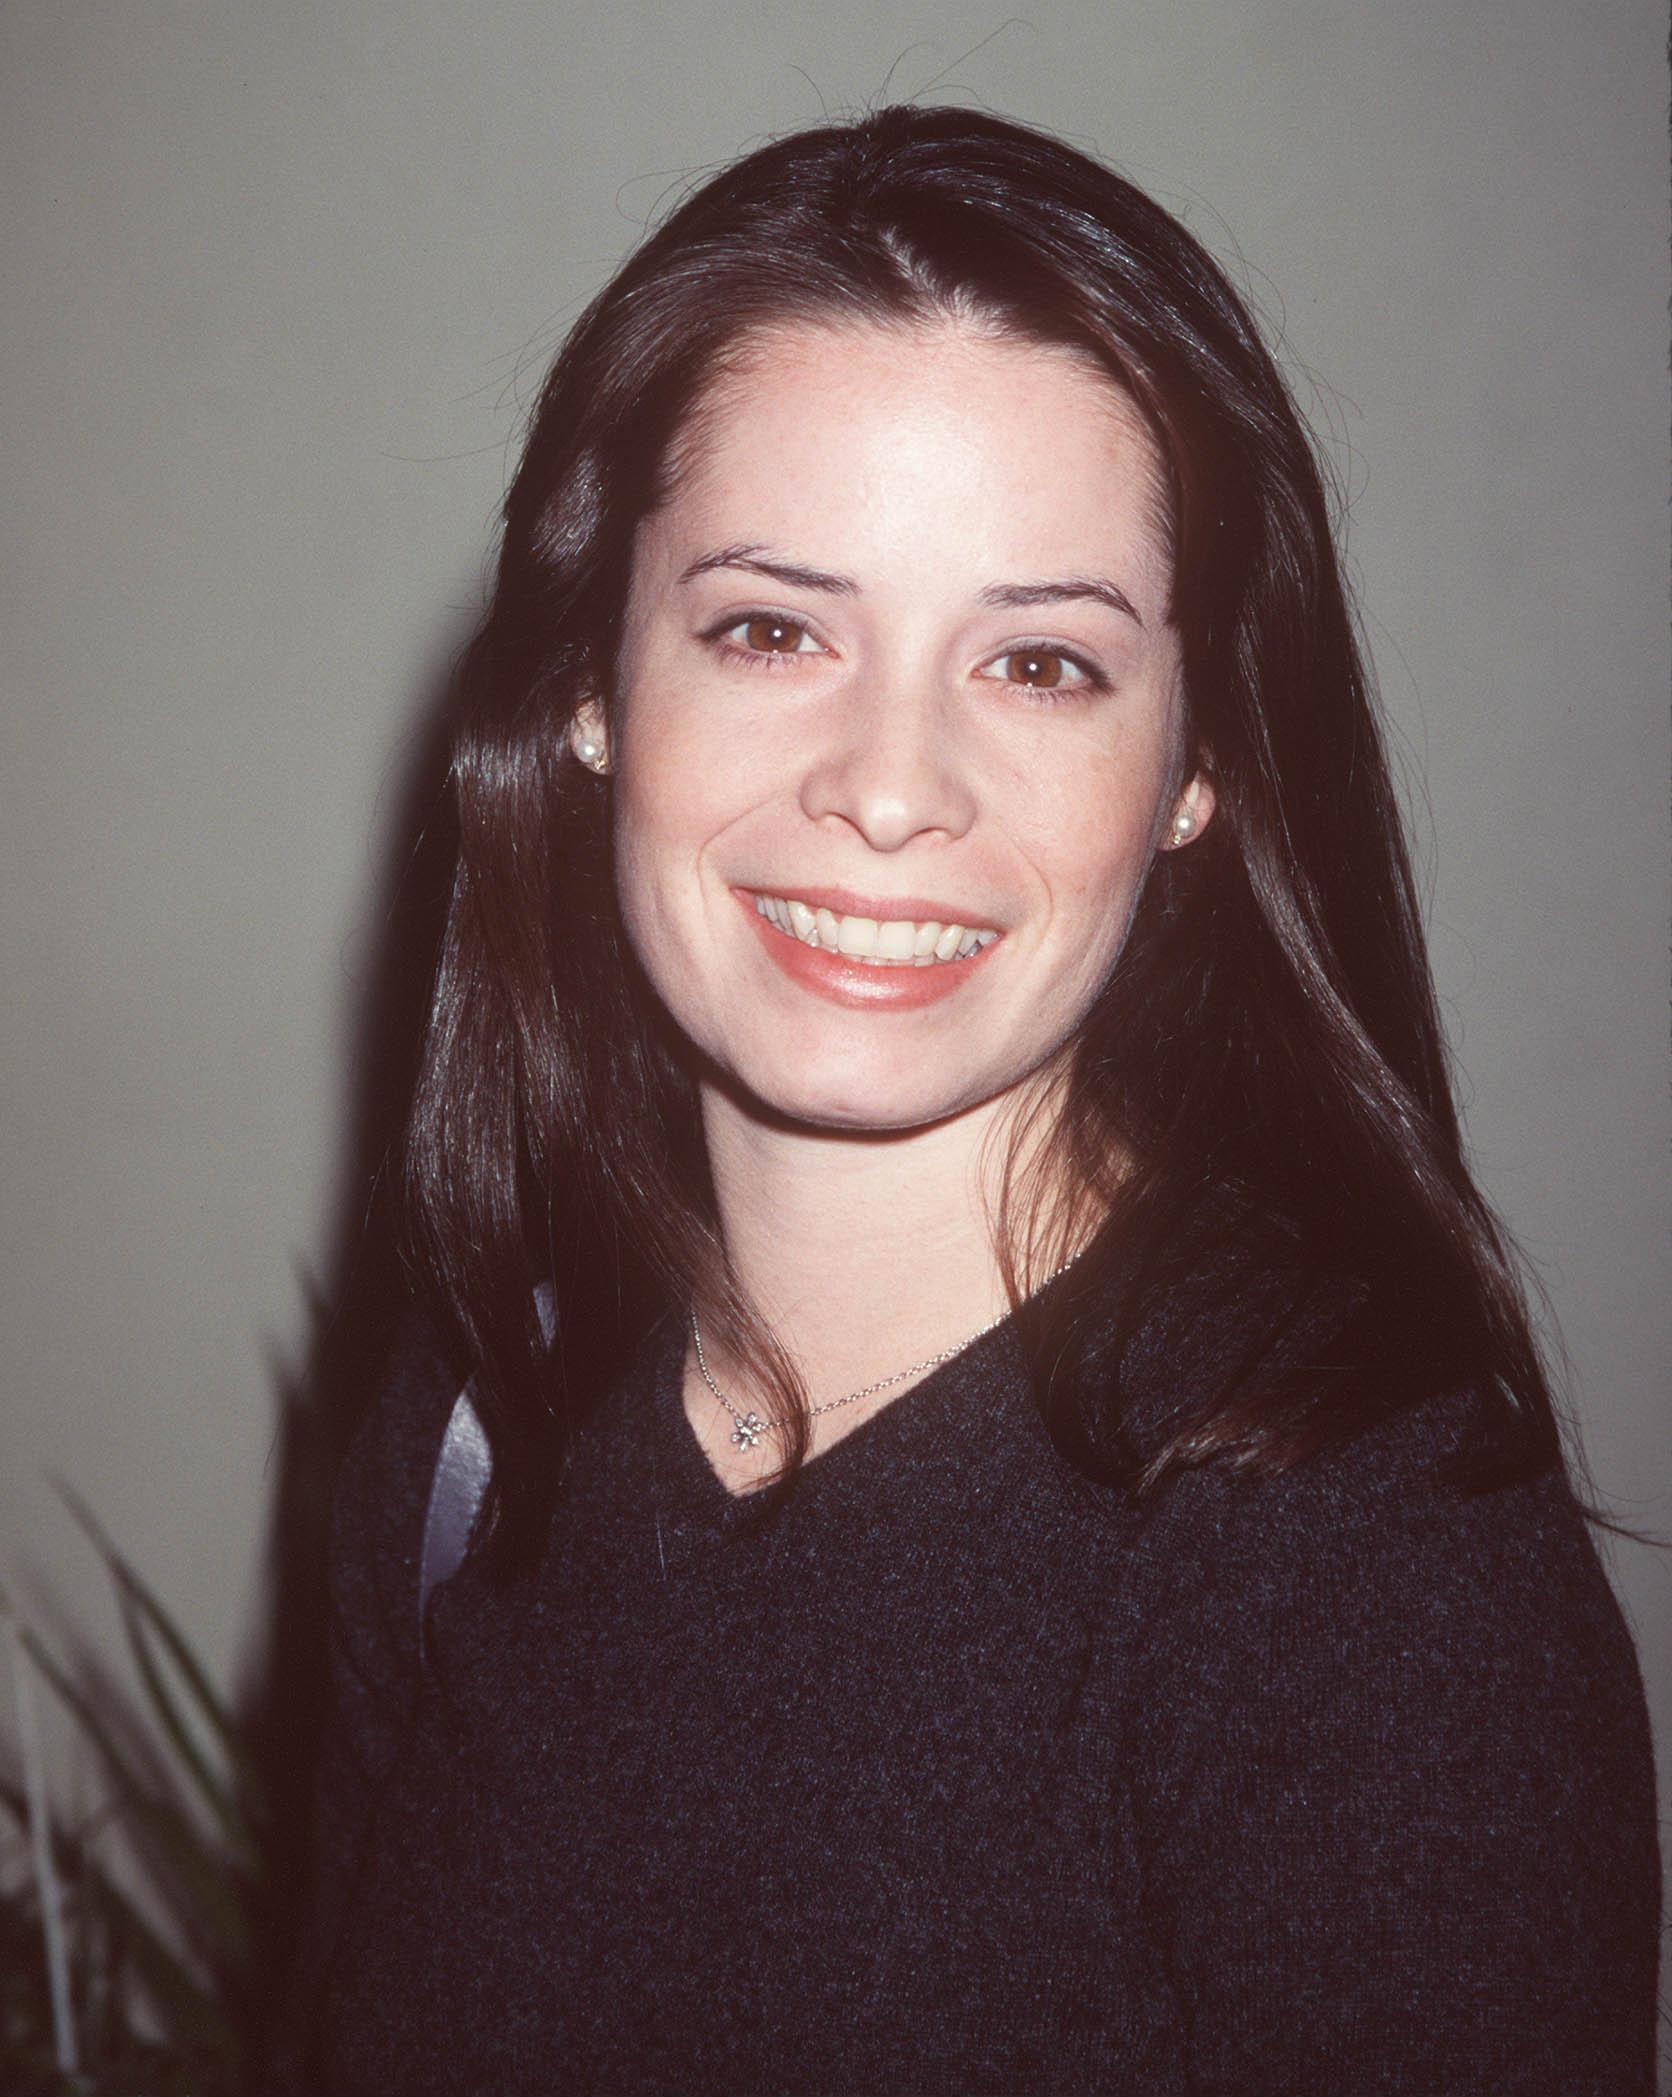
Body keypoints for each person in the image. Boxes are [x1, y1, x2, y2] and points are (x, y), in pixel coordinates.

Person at [285, 106, 1659, 2094]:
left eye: (1037, 662)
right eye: (769, 626)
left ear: (1196, 770)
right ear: (589, 683)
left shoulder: (1361, 1572)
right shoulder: (481, 1413)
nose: (891, 779)